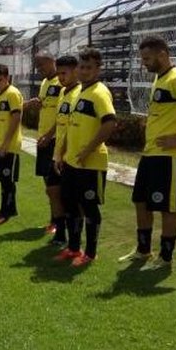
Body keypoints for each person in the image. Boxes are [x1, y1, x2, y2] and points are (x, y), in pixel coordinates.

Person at [118, 35, 176, 269]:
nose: (144, 63)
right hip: (150, 155)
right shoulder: (161, 79)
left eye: (147, 58)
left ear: (162, 54)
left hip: (170, 158)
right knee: (141, 202)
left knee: (167, 207)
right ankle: (143, 250)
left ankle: (165, 258)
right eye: (142, 59)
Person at [53, 47, 116, 267]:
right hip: (71, 163)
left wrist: (89, 149)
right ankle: (73, 248)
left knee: (89, 208)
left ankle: (90, 253)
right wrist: (62, 154)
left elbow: (110, 122)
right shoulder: (80, 92)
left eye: (90, 67)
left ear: (98, 69)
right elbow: (71, 127)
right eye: (82, 67)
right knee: (70, 204)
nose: (84, 71)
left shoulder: (99, 92)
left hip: (92, 164)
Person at [26, 51, 65, 238]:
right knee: (48, 183)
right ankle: (54, 219)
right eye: (37, 66)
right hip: (43, 139)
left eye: (41, 65)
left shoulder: (62, 82)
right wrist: (37, 103)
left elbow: (64, 113)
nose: (39, 69)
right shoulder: (45, 83)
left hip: (55, 139)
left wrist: (51, 135)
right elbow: (46, 103)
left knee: (55, 185)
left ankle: (59, 223)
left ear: (52, 61)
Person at [49, 55, 80, 249]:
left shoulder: (78, 94)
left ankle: (73, 240)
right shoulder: (63, 93)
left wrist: (65, 153)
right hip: (57, 153)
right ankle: (60, 232)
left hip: (70, 156)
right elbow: (60, 122)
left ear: (75, 71)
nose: (61, 77)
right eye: (59, 73)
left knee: (70, 199)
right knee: (52, 190)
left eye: (64, 73)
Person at [0, 64, 23, 225]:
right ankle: (12, 208)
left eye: (0, 80)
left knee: (7, 180)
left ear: (7, 78)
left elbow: (16, 119)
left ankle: (5, 212)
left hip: (10, 146)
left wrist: (6, 144)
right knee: (2, 178)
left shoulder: (13, 94)